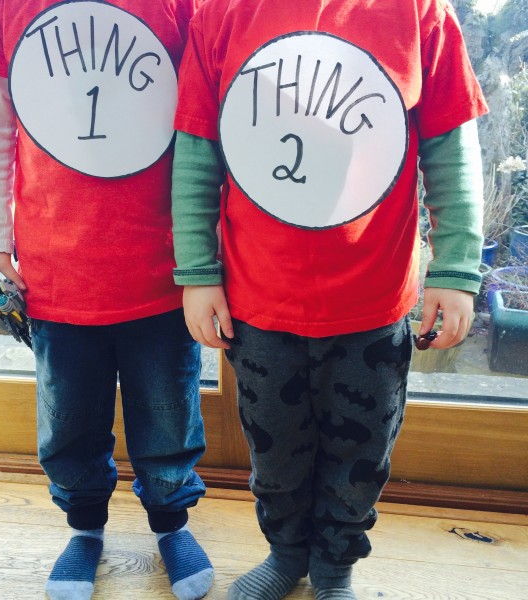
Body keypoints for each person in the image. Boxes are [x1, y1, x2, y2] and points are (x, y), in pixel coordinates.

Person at [170, 1, 487, 599]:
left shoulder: (419, 13)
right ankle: (287, 553)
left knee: (361, 448)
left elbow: (451, 146)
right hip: (259, 305)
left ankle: (336, 565)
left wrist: (455, 268)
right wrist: (197, 272)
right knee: (276, 450)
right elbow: (195, 154)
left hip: (373, 306)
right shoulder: (221, 14)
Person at [0, 1, 214, 599]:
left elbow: (207, 120)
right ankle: (84, 529)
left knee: (169, 414)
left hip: (164, 272)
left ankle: (172, 524)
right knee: (68, 422)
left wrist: (208, 257)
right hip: (55, 276)